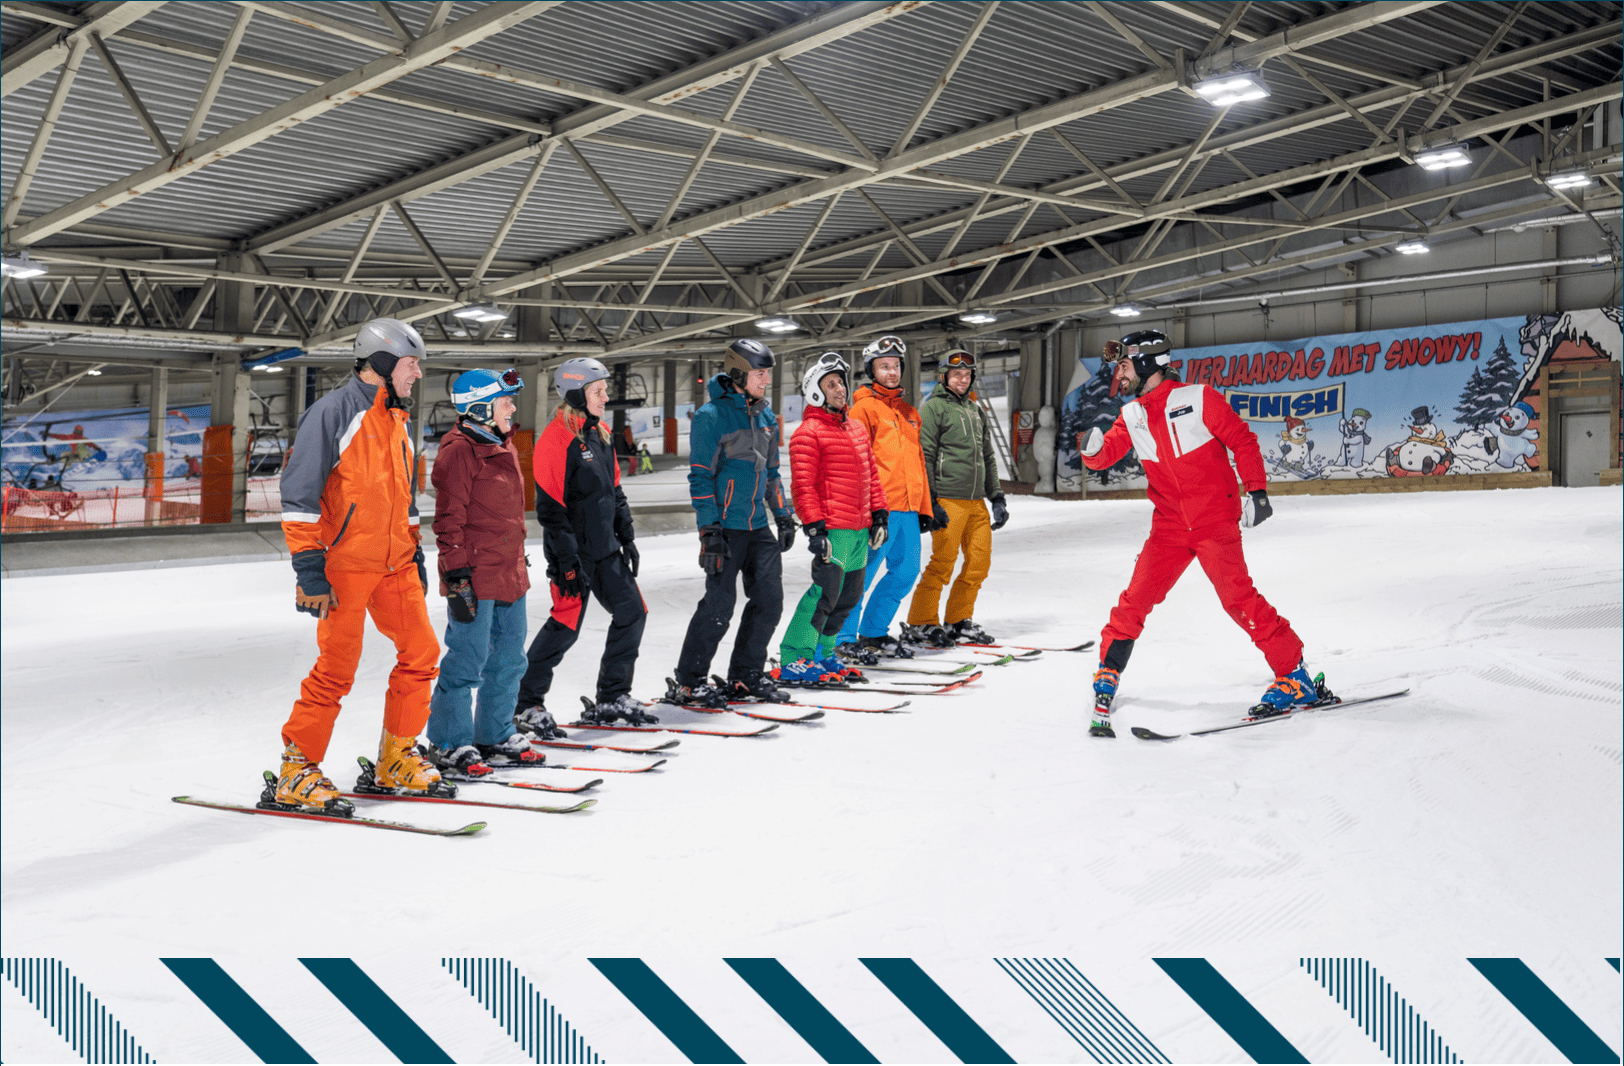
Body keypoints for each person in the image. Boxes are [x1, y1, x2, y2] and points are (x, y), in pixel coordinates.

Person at [1080, 329, 1319, 738]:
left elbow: (1241, 440)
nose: (1117, 374)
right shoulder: (1133, 414)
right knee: (1136, 598)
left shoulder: (1198, 399)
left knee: (1238, 598)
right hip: (1170, 527)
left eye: (1123, 365)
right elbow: (1105, 456)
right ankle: (1109, 670)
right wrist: (1091, 450)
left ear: (1146, 363)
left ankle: (1294, 673)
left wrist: (1256, 490)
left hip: (1214, 522)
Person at [273, 317, 448, 814]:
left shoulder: (396, 420)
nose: (416, 375)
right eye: (411, 365)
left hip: (393, 565)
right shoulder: (332, 413)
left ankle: (397, 757)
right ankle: (297, 770)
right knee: (336, 669)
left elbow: (404, 498)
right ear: (384, 363)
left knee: (421, 652)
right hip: (344, 567)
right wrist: (309, 567)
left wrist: (414, 553)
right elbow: (299, 495)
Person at [513, 357, 652, 728]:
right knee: (564, 628)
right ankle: (524, 703)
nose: (605, 396)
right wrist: (566, 562)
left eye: (604, 389)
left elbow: (615, 491)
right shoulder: (555, 441)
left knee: (632, 613)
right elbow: (551, 512)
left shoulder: (600, 434)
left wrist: (628, 537)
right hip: (574, 556)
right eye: (598, 391)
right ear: (576, 393)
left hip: (606, 551)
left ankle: (612, 696)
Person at [424, 368, 546, 776]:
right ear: (479, 406)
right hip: (474, 575)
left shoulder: (503, 445)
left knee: (510, 659)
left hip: (511, 574)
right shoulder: (458, 451)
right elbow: (447, 521)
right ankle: (449, 741)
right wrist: (456, 576)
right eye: (505, 400)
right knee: (468, 660)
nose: (513, 406)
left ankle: (494, 733)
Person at [670, 338, 797, 706]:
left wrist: (783, 515)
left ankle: (745, 676)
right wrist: (709, 531)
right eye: (760, 374)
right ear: (739, 373)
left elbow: (772, 473)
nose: (765, 381)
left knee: (770, 600)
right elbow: (700, 477)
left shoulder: (766, 416)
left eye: (767, 374)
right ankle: (689, 681)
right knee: (719, 607)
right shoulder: (711, 417)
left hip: (758, 525)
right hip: (725, 527)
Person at [775, 352, 888, 686]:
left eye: (841, 382)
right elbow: (803, 486)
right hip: (834, 529)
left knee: (848, 597)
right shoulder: (807, 434)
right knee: (824, 595)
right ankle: (795, 656)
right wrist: (814, 527)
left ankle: (823, 653)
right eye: (832, 384)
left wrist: (879, 515)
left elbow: (873, 477)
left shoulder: (855, 429)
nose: (841, 389)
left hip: (859, 528)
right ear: (815, 392)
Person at [833, 335, 940, 660]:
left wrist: (926, 505)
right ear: (871, 370)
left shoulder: (909, 412)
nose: (891, 372)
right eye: (884, 366)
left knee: (905, 573)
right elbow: (856, 460)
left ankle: (874, 632)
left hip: (908, 510)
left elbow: (918, 461)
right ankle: (843, 638)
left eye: (895, 366)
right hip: (878, 509)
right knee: (860, 576)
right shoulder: (862, 408)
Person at [902, 348, 1008, 647]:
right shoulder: (933, 408)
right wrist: (931, 500)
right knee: (943, 562)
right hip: (948, 498)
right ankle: (922, 622)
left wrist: (997, 495)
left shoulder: (975, 411)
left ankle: (958, 621)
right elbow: (925, 455)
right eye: (956, 374)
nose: (962, 379)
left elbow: (987, 455)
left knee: (978, 563)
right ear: (943, 376)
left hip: (976, 502)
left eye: (967, 375)